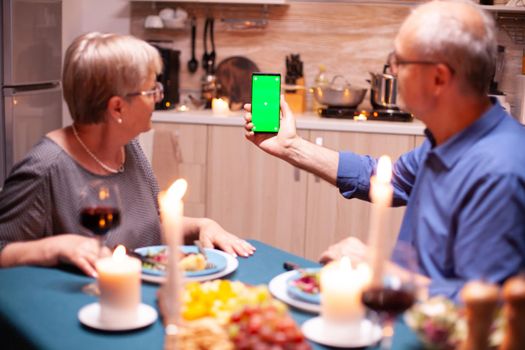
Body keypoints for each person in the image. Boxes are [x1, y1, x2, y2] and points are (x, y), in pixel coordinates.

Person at [244, 0, 525, 300]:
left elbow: (488, 309)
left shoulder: (500, 172)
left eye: (400, 62)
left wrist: (380, 270)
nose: (391, 69)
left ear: (439, 78)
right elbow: (384, 179)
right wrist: (292, 147)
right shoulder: (449, 136)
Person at [0, 32, 255, 278]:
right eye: (151, 90)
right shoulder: (44, 168)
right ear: (117, 107)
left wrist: (201, 226)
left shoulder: (127, 145)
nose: (159, 97)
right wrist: (54, 247)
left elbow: (149, 224)